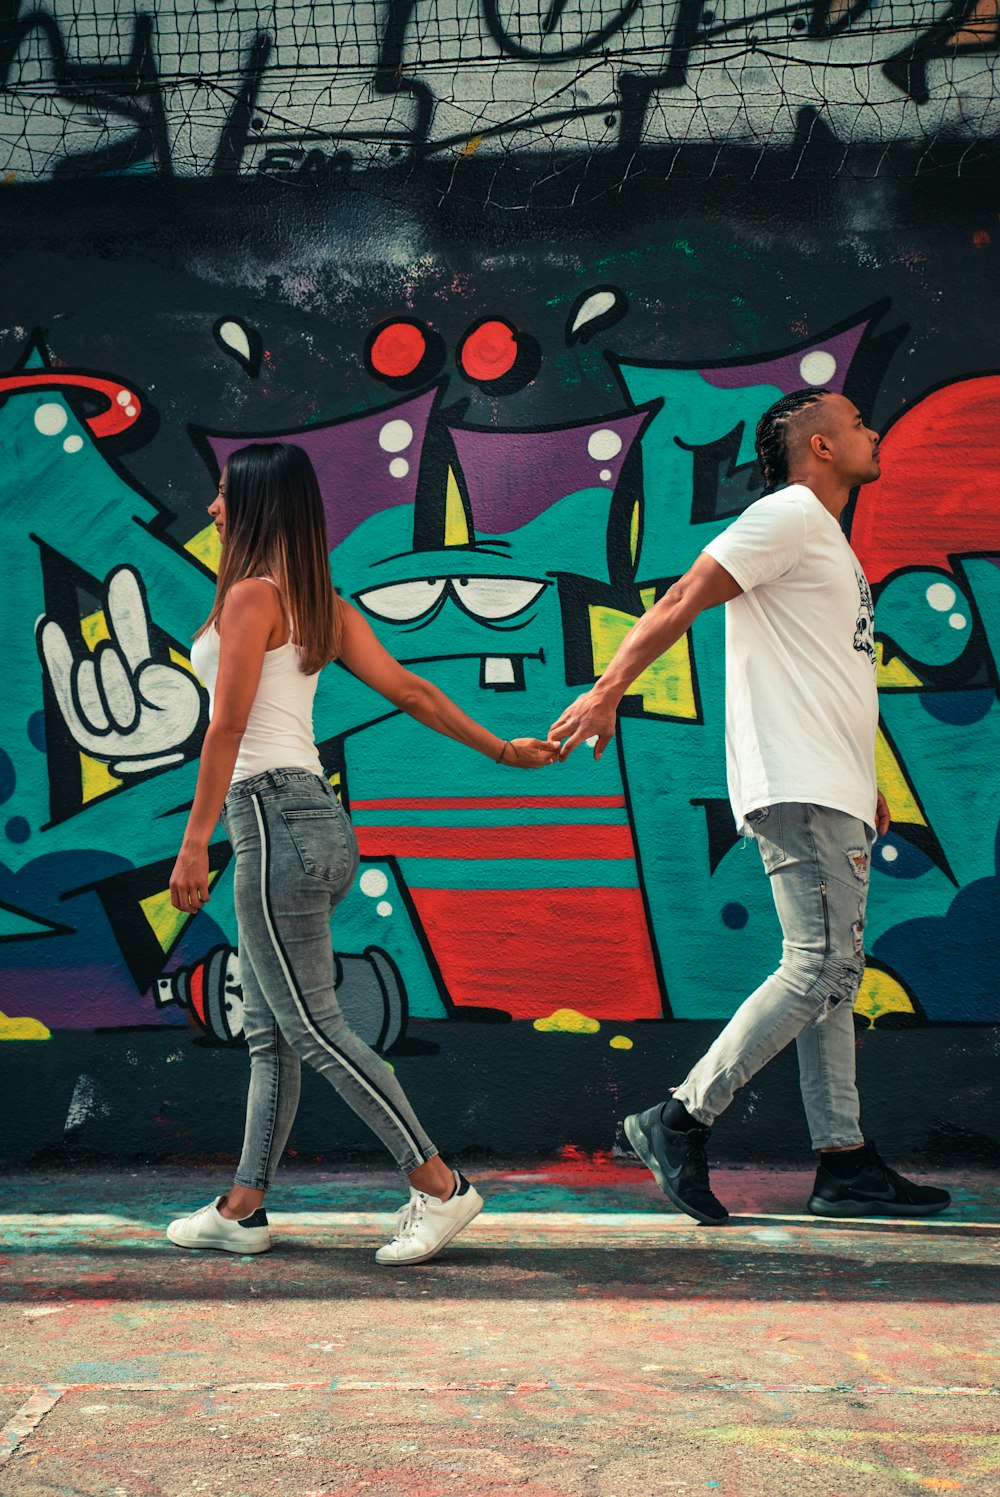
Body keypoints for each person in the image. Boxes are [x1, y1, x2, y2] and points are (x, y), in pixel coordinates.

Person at [550, 389, 951, 1224]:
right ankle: (677, 1117)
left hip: (827, 781)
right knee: (821, 966)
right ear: (821, 448)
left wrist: (863, 773)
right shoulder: (791, 515)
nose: (871, 430)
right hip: (799, 785)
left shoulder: (822, 536)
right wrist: (608, 689)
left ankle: (844, 1162)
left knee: (834, 980)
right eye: (856, 423)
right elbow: (682, 596)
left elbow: (823, 670)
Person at [166, 442, 558, 1264]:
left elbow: (227, 729)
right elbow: (411, 689)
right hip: (318, 821)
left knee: (312, 1025)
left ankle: (440, 1184)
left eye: (225, 497)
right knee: (275, 1031)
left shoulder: (248, 598)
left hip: (269, 820)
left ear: (259, 504)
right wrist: (500, 751)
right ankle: (242, 1208)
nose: (212, 509)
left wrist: (194, 841)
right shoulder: (320, 603)